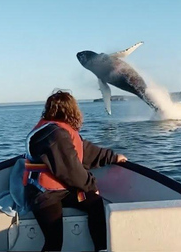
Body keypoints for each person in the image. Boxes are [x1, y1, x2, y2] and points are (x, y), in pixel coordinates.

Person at [23, 89, 127, 252]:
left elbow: (85, 151)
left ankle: (101, 248)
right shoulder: (55, 135)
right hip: (43, 193)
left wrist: (112, 157)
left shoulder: (60, 130)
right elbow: (70, 170)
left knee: (94, 203)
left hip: (64, 190)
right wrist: (92, 186)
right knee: (54, 241)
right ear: (71, 110)